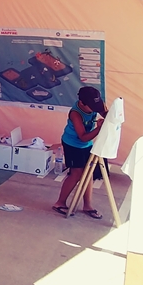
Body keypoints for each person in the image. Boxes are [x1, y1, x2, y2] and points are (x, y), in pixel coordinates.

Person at [53, 86, 109, 220]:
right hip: (73, 144)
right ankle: (59, 203)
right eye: (92, 107)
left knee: (88, 173)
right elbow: (83, 136)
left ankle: (88, 205)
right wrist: (100, 128)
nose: (96, 109)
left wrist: (110, 118)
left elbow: (105, 113)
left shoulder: (96, 103)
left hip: (87, 145)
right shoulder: (75, 114)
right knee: (76, 173)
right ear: (82, 103)